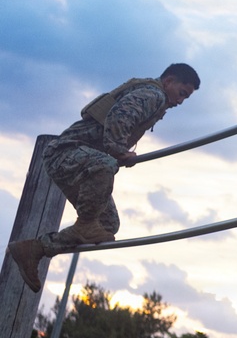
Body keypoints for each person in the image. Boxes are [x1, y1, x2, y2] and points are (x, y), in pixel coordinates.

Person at [6, 63, 200, 292]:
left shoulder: (154, 96)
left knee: (107, 226)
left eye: (185, 99)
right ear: (168, 81)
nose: (179, 102)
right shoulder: (154, 94)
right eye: (181, 94)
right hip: (64, 153)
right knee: (106, 165)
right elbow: (121, 115)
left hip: (82, 163)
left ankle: (35, 249)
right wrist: (118, 150)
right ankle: (84, 224)